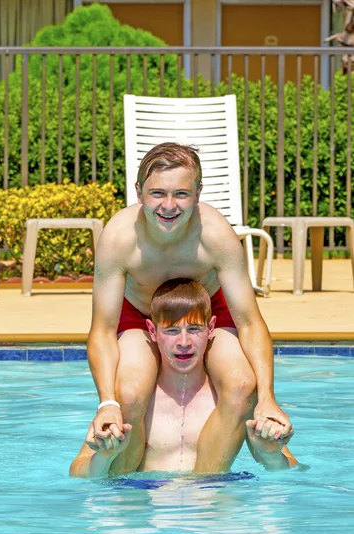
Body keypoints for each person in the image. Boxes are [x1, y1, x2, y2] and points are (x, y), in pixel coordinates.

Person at [87, 142, 293, 474]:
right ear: (139, 192)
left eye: (181, 194)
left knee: (242, 384)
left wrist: (267, 396)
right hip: (141, 317)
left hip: (205, 312)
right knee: (128, 392)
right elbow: (102, 331)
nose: (169, 205)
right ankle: (123, 492)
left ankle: (206, 487)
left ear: (198, 193)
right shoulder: (118, 238)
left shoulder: (214, 234)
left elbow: (251, 322)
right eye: (157, 193)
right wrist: (107, 403)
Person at [70, 279, 297, 478]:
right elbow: (78, 470)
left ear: (211, 329)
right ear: (151, 330)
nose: (184, 342)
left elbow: (294, 470)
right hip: (144, 510)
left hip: (212, 512)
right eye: (171, 331)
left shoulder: (233, 401)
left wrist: (272, 456)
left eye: (195, 329)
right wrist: (104, 458)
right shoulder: (133, 400)